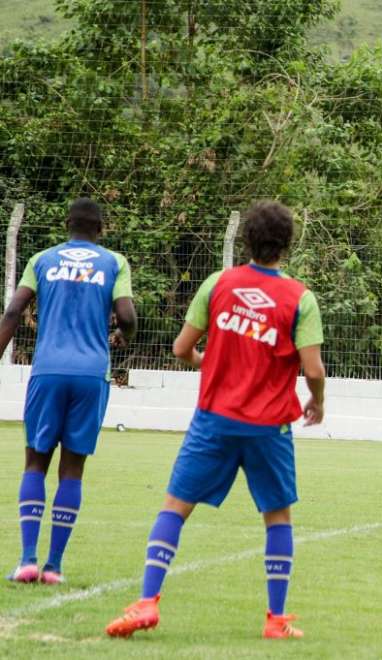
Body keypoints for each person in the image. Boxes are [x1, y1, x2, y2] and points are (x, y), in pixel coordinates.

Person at [105, 201, 326, 639]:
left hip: (214, 420)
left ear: (245, 239)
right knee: (277, 517)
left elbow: (181, 349)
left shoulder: (218, 284)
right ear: (287, 245)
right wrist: (316, 401)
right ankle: (275, 620)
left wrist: (213, 362)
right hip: (269, 427)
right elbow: (314, 369)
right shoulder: (300, 297)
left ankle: (148, 601)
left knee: (175, 508)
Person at [2, 198, 136, 585]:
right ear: (101, 229)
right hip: (91, 374)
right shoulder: (114, 262)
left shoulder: (42, 260)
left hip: (49, 370)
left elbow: (13, 312)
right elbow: (127, 316)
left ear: (67, 225)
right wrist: (123, 334)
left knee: (35, 462)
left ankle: (27, 560)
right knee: (72, 470)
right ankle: (54, 567)